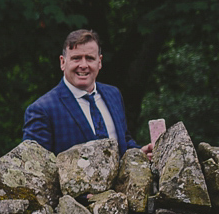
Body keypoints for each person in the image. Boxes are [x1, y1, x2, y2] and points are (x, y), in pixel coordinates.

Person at [23, 29, 152, 156]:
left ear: (99, 62)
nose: (83, 65)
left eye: (90, 58)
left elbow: (124, 142)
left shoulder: (113, 95)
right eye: (76, 58)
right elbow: (36, 168)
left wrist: (140, 154)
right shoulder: (42, 110)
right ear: (63, 62)